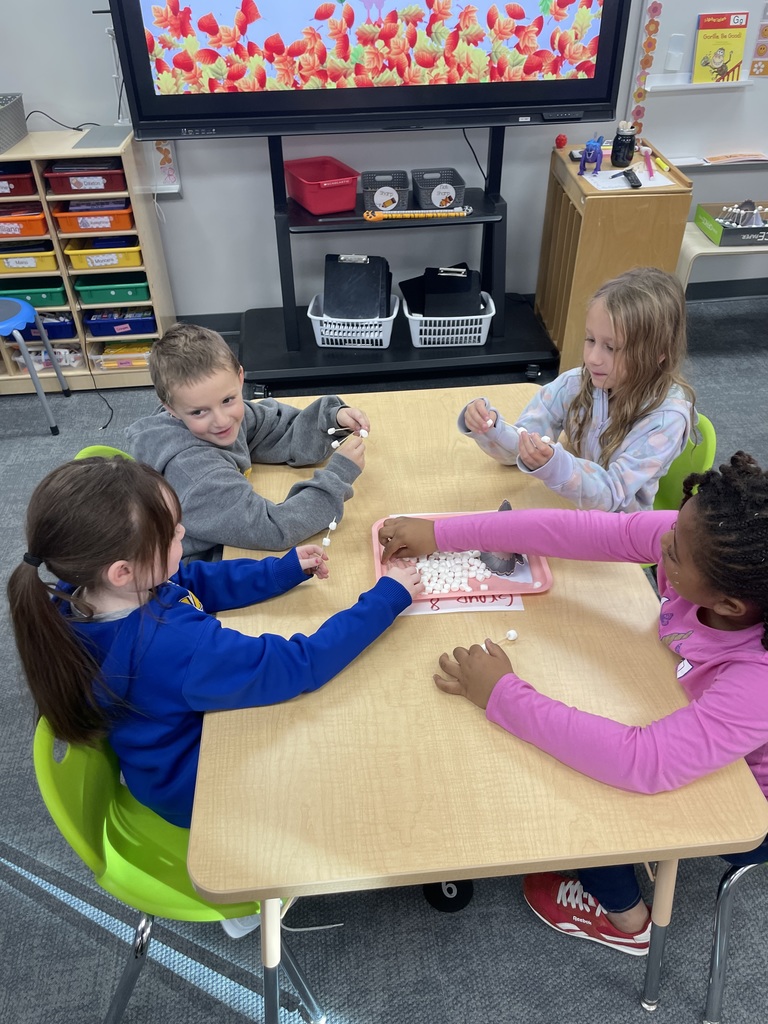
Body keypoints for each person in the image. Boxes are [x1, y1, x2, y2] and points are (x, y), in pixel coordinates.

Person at [377, 451, 768, 956]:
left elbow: (641, 762)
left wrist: (502, 695)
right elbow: (574, 530)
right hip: (697, 719)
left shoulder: (756, 680)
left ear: (730, 606)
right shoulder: (702, 552)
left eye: (673, 553)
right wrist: (444, 534)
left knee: (583, 794)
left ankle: (626, 918)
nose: (662, 538)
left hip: (747, 800)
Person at [8, 456, 422, 835]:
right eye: (171, 534)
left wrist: (280, 571)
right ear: (122, 571)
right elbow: (301, 663)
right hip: (199, 788)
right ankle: (241, 905)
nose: (184, 533)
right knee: (354, 749)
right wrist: (387, 597)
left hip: (156, 762)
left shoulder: (78, 589)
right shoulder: (176, 646)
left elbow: (190, 582)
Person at [459, 267, 696, 512]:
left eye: (611, 348)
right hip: (574, 512)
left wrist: (556, 465)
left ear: (659, 354)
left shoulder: (666, 420)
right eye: (590, 340)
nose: (592, 358)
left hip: (620, 537)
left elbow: (612, 496)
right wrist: (491, 428)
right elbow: (520, 447)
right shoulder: (574, 383)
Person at [125, 322, 370, 560]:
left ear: (240, 378)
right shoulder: (196, 475)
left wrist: (332, 421)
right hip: (199, 568)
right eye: (199, 412)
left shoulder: (214, 419)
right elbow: (274, 529)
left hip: (227, 539)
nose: (221, 420)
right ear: (171, 409)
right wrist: (338, 476)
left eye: (228, 400)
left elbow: (274, 429)